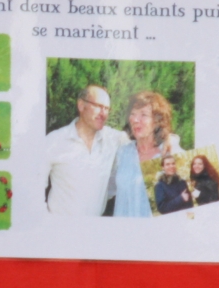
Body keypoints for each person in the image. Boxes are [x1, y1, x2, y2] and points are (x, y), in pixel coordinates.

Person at [44, 84, 125, 215]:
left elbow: (144, 142)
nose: (103, 113)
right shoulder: (55, 140)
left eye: (107, 109)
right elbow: (34, 186)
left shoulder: (113, 140)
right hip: (59, 225)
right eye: (98, 106)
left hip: (94, 226)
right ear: (81, 105)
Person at [113, 90, 181, 218]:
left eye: (143, 115)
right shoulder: (123, 153)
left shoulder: (169, 154)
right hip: (122, 229)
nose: (135, 120)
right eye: (133, 114)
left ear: (157, 121)